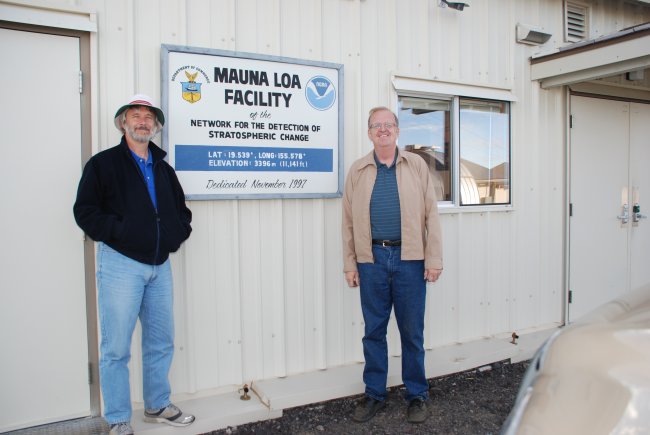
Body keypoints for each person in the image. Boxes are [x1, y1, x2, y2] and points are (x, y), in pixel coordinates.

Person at [74, 94, 194, 435]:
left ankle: (157, 404)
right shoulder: (103, 164)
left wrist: (174, 236)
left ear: (155, 127)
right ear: (123, 123)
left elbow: (181, 213)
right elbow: (85, 211)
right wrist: (122, 232)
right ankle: (118, 419)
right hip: (120, 265)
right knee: (115, 347)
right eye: (135, 115)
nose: (142, 121)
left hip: (159, 266)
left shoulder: (164, 169)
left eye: (148, 117)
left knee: (161, 340)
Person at [342, 106, 443, 424]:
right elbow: (347, 221)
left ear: (398, 130)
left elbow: (432, 215)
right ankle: (374, 393)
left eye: (388, 124)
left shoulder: (417, 166)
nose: (382, 129)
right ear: (369, 132)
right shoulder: (358, 171)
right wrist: (350, 263)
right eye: (376, 125)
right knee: (373, 331)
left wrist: (434, 258)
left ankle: (417, 394)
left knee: (412, 332)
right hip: (370, 260)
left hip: (410, 260)